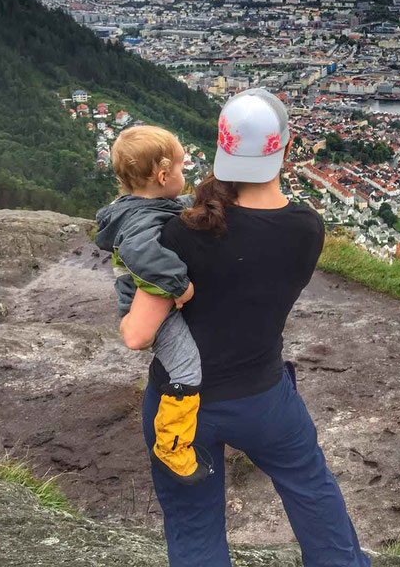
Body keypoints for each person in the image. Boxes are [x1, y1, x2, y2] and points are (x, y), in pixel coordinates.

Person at [120, 89, 369, 567]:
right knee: (311, 491)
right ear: (286, 147)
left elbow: (138, 335)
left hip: (181, 406)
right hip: (263, 397)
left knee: (193, 524)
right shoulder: (306, 229)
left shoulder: (177, 234)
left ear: (222, 148)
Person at [95, 125, 210, 485]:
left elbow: (174, 208)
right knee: (188, 369)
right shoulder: (142, 221)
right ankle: (172, 445)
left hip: (144, 303)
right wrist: (180, 284)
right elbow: (138, 251)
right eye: (180, 168)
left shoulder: (140, 206)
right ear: (162, 175)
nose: (184, 174)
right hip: (152, 315)